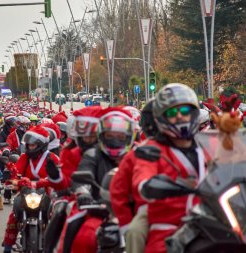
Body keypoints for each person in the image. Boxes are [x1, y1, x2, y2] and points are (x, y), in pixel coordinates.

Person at [132, 83, 207, 253]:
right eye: (173, 112)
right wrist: (150, 184)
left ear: (194, 113)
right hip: (170, 224)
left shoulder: (206, 144)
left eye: (185, 111)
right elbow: (143, 177)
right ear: (162, 118)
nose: (180, 116)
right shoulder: (151, 149)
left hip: (209, 219)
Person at [67, 107, 136, 253]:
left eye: (120, 136)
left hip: (134, 212)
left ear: (129, 137)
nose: (115, 140)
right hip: (100, 210)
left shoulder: (139, 154)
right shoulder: (93, 154)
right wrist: (83, 193)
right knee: (83, 237)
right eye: (110, 135)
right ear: (102, 135)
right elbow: (83, 174)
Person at [110, 99, 157, 253]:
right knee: (135, 232)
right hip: (152, 207)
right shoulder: (143, 152)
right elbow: (143, 171)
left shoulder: (194, 146)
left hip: (190, 207)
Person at [2, 126, 60, 253]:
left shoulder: (52, 158)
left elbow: (60, 175)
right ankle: (7, 247)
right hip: (26, 193)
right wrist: (13, 179)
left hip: (46, 193)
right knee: (14, 216)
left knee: (59, 214)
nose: (29, 147)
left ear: (41, 144)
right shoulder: (24, 157)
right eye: (28, 144)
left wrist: (47, 181)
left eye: (32, 145)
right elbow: (16, 173)